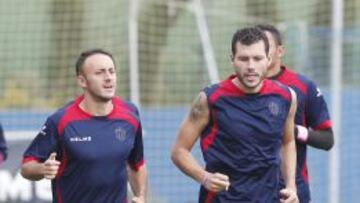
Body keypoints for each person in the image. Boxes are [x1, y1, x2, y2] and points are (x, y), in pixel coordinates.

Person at [171, 27, 298, 203]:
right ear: (232, 59)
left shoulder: (286, 97)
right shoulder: (210, 99)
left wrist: (291, 186)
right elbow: (179, 151)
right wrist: (204, 177)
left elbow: (288, 142)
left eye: (257, 58)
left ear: (269, 59)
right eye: (243, 59)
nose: (251, 66)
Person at [21, 49, 147, 203]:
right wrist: (42, 169)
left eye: (111, 71)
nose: (108, 78)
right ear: (82, 81)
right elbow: (27, 166)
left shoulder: (130, 115)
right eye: (100, 73)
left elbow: (137, 164)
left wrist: (140, 196)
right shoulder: (60, 121)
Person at [257, 24, 334, 203]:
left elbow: (327, 140)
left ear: (280, 51)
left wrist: (296, 131)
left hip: (291, 190)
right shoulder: (235, 90)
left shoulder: (303, 87)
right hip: (247, 189)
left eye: (267, 45)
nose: (262, 52)